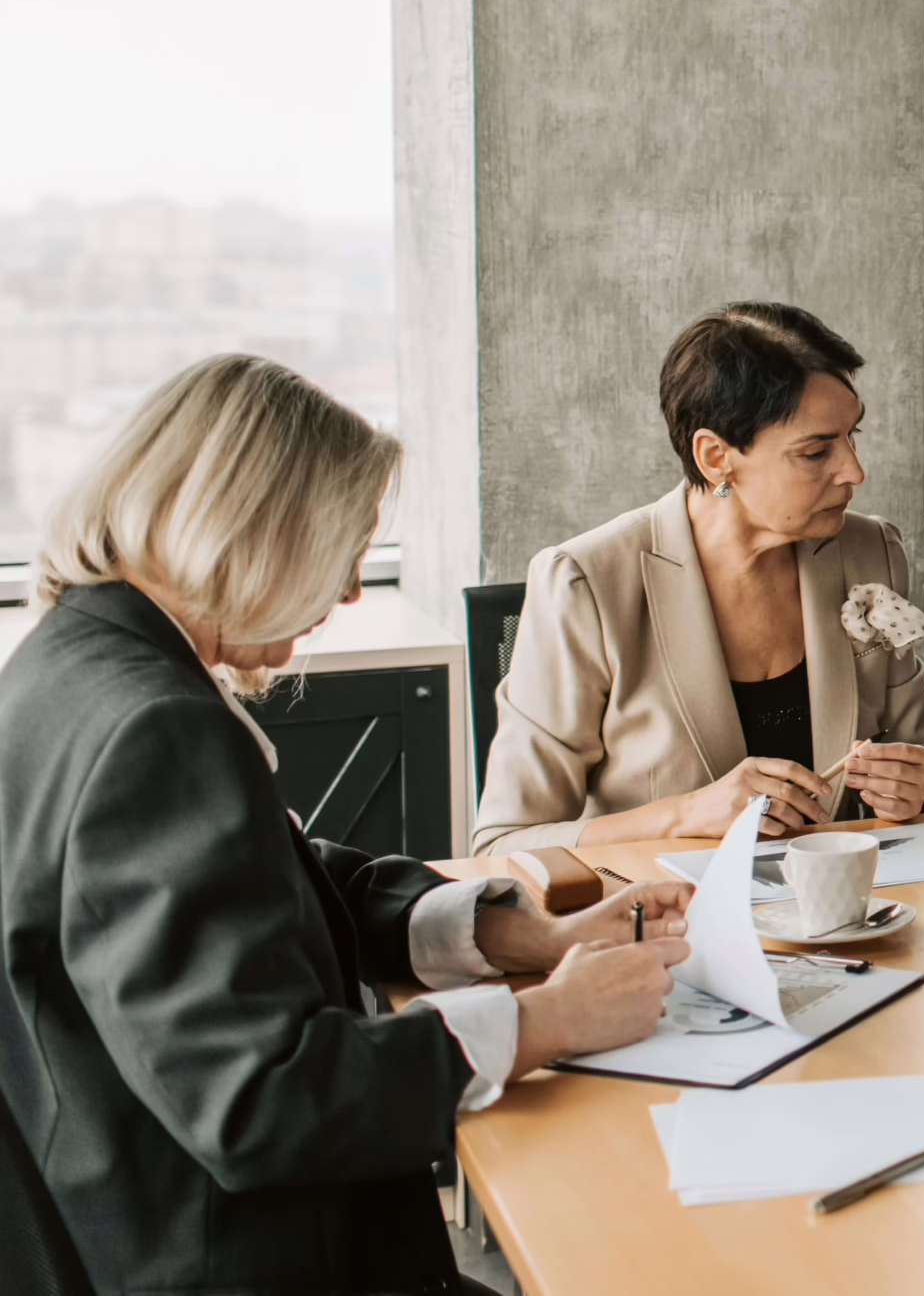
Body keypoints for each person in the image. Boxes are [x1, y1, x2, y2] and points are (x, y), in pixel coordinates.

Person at [0, 354, 693, 1295]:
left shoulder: (73, 661)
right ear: (254, 533)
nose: (352, 593)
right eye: (347, 549)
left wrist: (510, 931)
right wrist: (543, 1022)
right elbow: (259, 1100)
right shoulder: (155, 727)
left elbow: (270, 875)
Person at [473, 302, 924, 856]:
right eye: (817, 451)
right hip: (666, 927)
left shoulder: (875, 553)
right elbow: (502, 846)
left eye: (852, 435)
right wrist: (688, 814)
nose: (855, 471)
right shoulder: (587, 584)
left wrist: (917, 795)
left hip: (852, 918)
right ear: (715, 456)